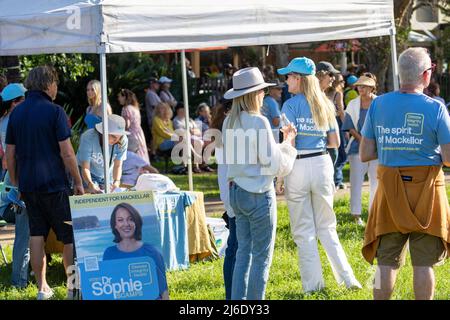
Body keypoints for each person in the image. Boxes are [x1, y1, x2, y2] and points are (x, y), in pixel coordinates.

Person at [360, 47, 450, 300]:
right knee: (424, 263)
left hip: (390, 190)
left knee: (384, 261)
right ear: (425, 75)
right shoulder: (436, 108)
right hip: (427, 191)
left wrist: (394, 144)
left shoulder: (378, 104)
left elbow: (365, 153)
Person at [277, 57, 362, 293]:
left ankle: (313, 286)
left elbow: (288, 141)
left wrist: (280, 176)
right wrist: (329, 170)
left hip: (299, 164)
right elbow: (335, 143)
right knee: (327, 226)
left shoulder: (290, 106)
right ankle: (348, 279)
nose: (286, 81)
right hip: (322, 161)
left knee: (304, 231)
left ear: (299, 79)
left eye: (289, 77)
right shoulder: (325, 103)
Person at [5, 66, 85, 300]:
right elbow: (67, 153)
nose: (56, 89)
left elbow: (9, 154)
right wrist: (78, 182)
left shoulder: (16, 114)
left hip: (28, 186)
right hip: (55, 185)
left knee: (36, 234)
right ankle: (72, 288)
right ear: (48, 84)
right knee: (68, 237)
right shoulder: (55, 111)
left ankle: (42, 288)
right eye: (56, 85)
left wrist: (17, 181)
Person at [223, 67, 297, 300]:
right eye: (261, 92)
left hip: (237, 191)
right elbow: (274, 164)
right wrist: (290, 145)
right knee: (261, 257)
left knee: (243, 253)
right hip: (257, 193)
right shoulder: (259, 121)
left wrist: (283, 145)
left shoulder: (229, 122)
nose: (263, 95)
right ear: (254, 94)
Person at [103, 203, 169, 300]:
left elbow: (163, 290)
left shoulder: (151, 252)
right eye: (120, 220)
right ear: (115, 225)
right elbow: (106, 290)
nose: (126, 224)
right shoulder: (109, 254)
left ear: (136, 222)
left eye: (130, 219)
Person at [0, 83, 30, 288]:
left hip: (10, 184)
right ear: (15, 102)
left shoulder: (3, 120)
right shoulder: (17, 121)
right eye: (24, 99)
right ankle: (19, 280)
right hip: (19, 182)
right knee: (24, 233)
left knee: (26, 232)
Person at [342, 73, 379, 226]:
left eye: (363, 86)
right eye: (359, 86)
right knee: (356, 181)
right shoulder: (352, 104)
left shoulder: (379, 103)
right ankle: (356, 215)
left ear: (371, 88)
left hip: (377, 148)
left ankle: (374, 214)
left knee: (376, 182)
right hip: (357, 146)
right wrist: (363, 140)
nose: (360, 89)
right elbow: (349, 126)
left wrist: (373, 143)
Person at [210, 98, 236, 300]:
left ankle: (232, 295)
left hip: (229, 193)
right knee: (235, 249)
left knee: (234, 248)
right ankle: (233, 297)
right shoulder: (230, 127)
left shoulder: (222, 127)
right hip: (234, 193)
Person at [77, 114, 129, 193]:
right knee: (89, 195)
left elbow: (118, 165)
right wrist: (90, 184)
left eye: (120, 136)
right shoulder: (88, 137)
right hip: (88, 173)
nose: (117, 140)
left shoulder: (123, 140)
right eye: (113, 136)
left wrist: (116, 181)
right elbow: (85, 167)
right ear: (103, 132)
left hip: (107, 175)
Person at [316, 61, 347, 189]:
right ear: (321, 76)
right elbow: (341, 111)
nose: (333, 78)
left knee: (335, 153)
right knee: (336, 154)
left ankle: (334, 180)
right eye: (330, 75)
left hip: (331, 129)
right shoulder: (314, 96)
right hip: (320, 139)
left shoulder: (326, 95)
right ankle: (335, 180)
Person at [118, 88, 150, 164]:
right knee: (141, 152)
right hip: (139, 133)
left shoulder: (126, 109)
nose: (118, 98)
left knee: (133, 154)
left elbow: (127, 124)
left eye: (120, 96)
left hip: (131, 135)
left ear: (124, 97)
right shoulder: (135, 108)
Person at [172, 103, 204, 173]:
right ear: (177, 111)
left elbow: (198, 132)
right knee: (185, 141)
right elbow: (180, 132)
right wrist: (190, 130)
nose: (183, 111)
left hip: (191, 138)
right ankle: (187, 166)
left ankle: (196, 166)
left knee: (198, 142)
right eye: (181, 110)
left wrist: (190, 131)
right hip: (180, 139)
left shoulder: (189, 120)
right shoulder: (176, 120)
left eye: (184, 109)